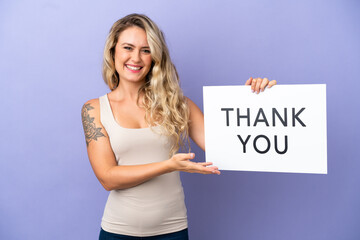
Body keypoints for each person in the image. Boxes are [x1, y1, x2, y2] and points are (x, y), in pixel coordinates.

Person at [81, 13, 276, 240]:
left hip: (172, 231)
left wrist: (255, 100)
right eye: (128, 48)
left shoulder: (178, 104)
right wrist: (168, 165)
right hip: (118, 231)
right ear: (113, 51)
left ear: (155, 57)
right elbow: (108, 177)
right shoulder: (94, 110)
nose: (136, 58)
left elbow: (228, 146)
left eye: (146, 50)